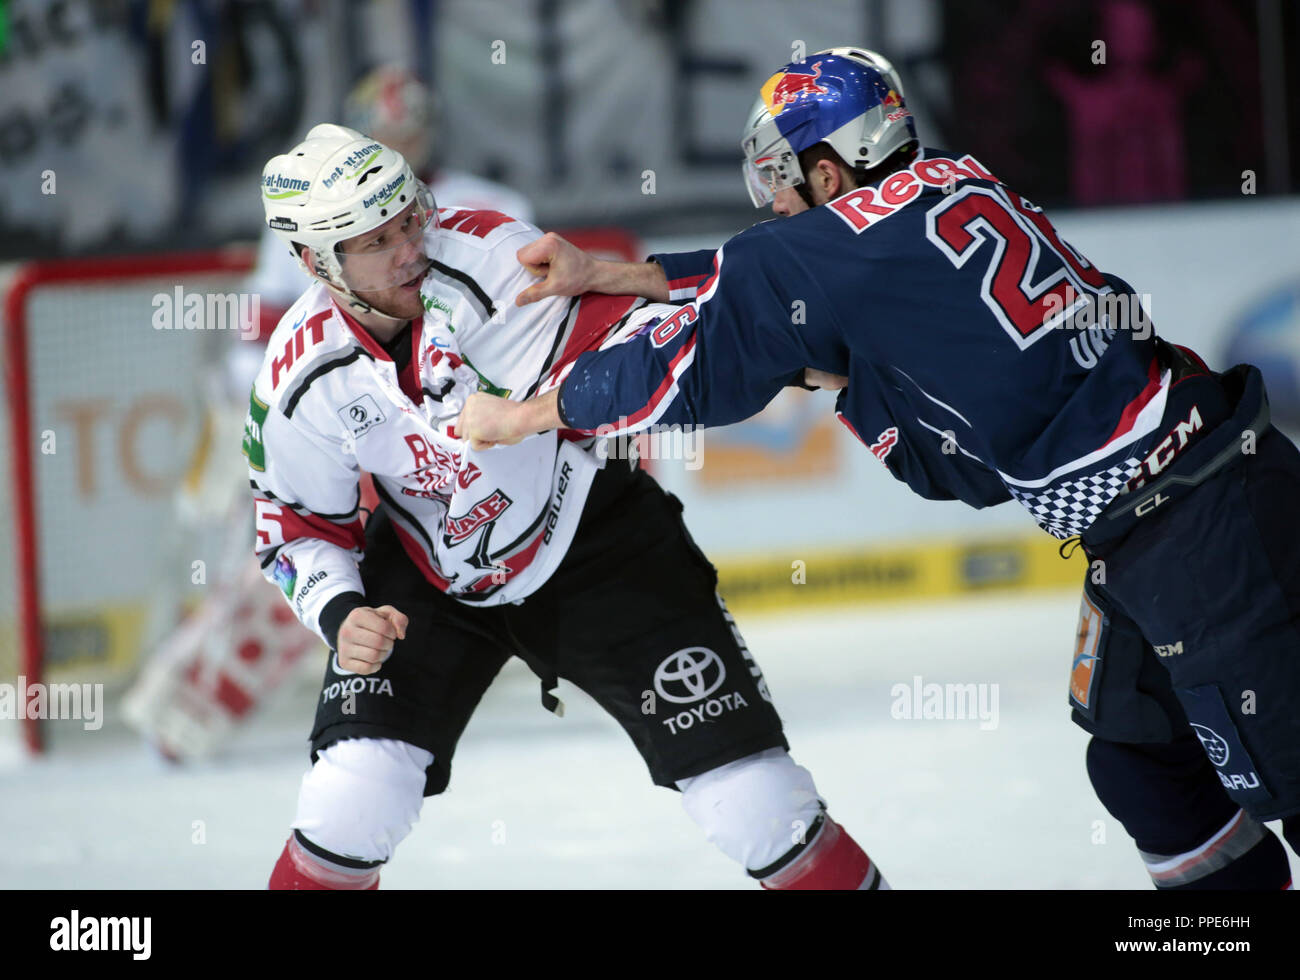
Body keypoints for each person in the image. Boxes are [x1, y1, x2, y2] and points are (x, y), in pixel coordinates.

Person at [458, 47, 1300, 890]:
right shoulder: (956, 178)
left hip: (1197, 531)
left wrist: (526, 415)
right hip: (1198, 487)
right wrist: (609, 273)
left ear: (827, 170)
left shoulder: (817, 256)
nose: (775, 208)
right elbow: (772, 286)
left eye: (781, 183)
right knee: (1139, 766)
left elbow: (694, 365)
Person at [250, 123, 886, 890]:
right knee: (349, 801)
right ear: (317, 263)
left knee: (760, 805)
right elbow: (295, 527)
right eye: (378, 242)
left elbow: (651, 362)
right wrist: (340, 611)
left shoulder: (495, 259)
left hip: (598, 542)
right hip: (427, 579)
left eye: (411, 217)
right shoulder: (298, 376)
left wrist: (812, 362)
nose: (411, 247)